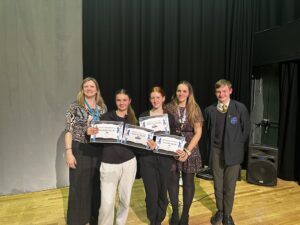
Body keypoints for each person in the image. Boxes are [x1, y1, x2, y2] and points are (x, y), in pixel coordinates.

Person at [204, 79, 250, 225]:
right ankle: (220, 211)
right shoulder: (210, 110)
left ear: (230, 91)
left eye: (224, 91)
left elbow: (246, 129)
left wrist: (235, 145)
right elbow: (207, 131)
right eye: (218, 91)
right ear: (215, 92)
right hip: (216, 152)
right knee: (218, 184)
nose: (221, 94)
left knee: (230, 185)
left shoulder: (240, 108)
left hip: (233, 153)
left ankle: (227, 215)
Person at [65, 77, 107, 225]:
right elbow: (69, 130)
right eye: (86, 86)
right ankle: (77, 220)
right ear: (82, 90)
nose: (89, 89)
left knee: (95, 185)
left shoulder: (102, 108)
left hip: (97, 150)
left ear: (97, 90)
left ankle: (92, 218)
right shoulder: (75, 106)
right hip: (79, 148)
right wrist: (69, 152)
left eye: (92, 86)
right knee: (78, 185)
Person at [98, 89, 140, 225]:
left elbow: (138, 143)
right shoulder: (105, 117)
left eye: (124, 100)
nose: (121, 103)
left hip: (129, 163)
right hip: (109, 164)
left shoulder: (134, 120)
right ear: (115, 101)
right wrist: (91, 132)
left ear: (129, 101)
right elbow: (96, 138)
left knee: (125, 200)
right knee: (107, 203)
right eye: (118, 100)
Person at [165, 81, 204, 225]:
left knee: (188, 182)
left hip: (190, 148)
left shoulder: (194, 108)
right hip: (172, 147)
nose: (181, 94)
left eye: (184, 91)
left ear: (189, 93)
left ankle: (185, 214)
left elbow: (198, 132)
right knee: (172, 182)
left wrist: (187, 151)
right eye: (178, 91)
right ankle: (175, 211)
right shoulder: (168, 107)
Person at [139, 86, 176, 225]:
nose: (155, 100)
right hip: (147, 159)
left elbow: (172, 140)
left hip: (165, 159)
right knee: (151, 193)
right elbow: (140, 139)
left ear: (163, 98)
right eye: (152, 98)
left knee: (162, 192)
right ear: (150, 99)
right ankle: (152, 220)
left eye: (158, 97)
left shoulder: (169, 118)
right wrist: (147, 143)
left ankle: (159, 218)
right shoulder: (143, 116)